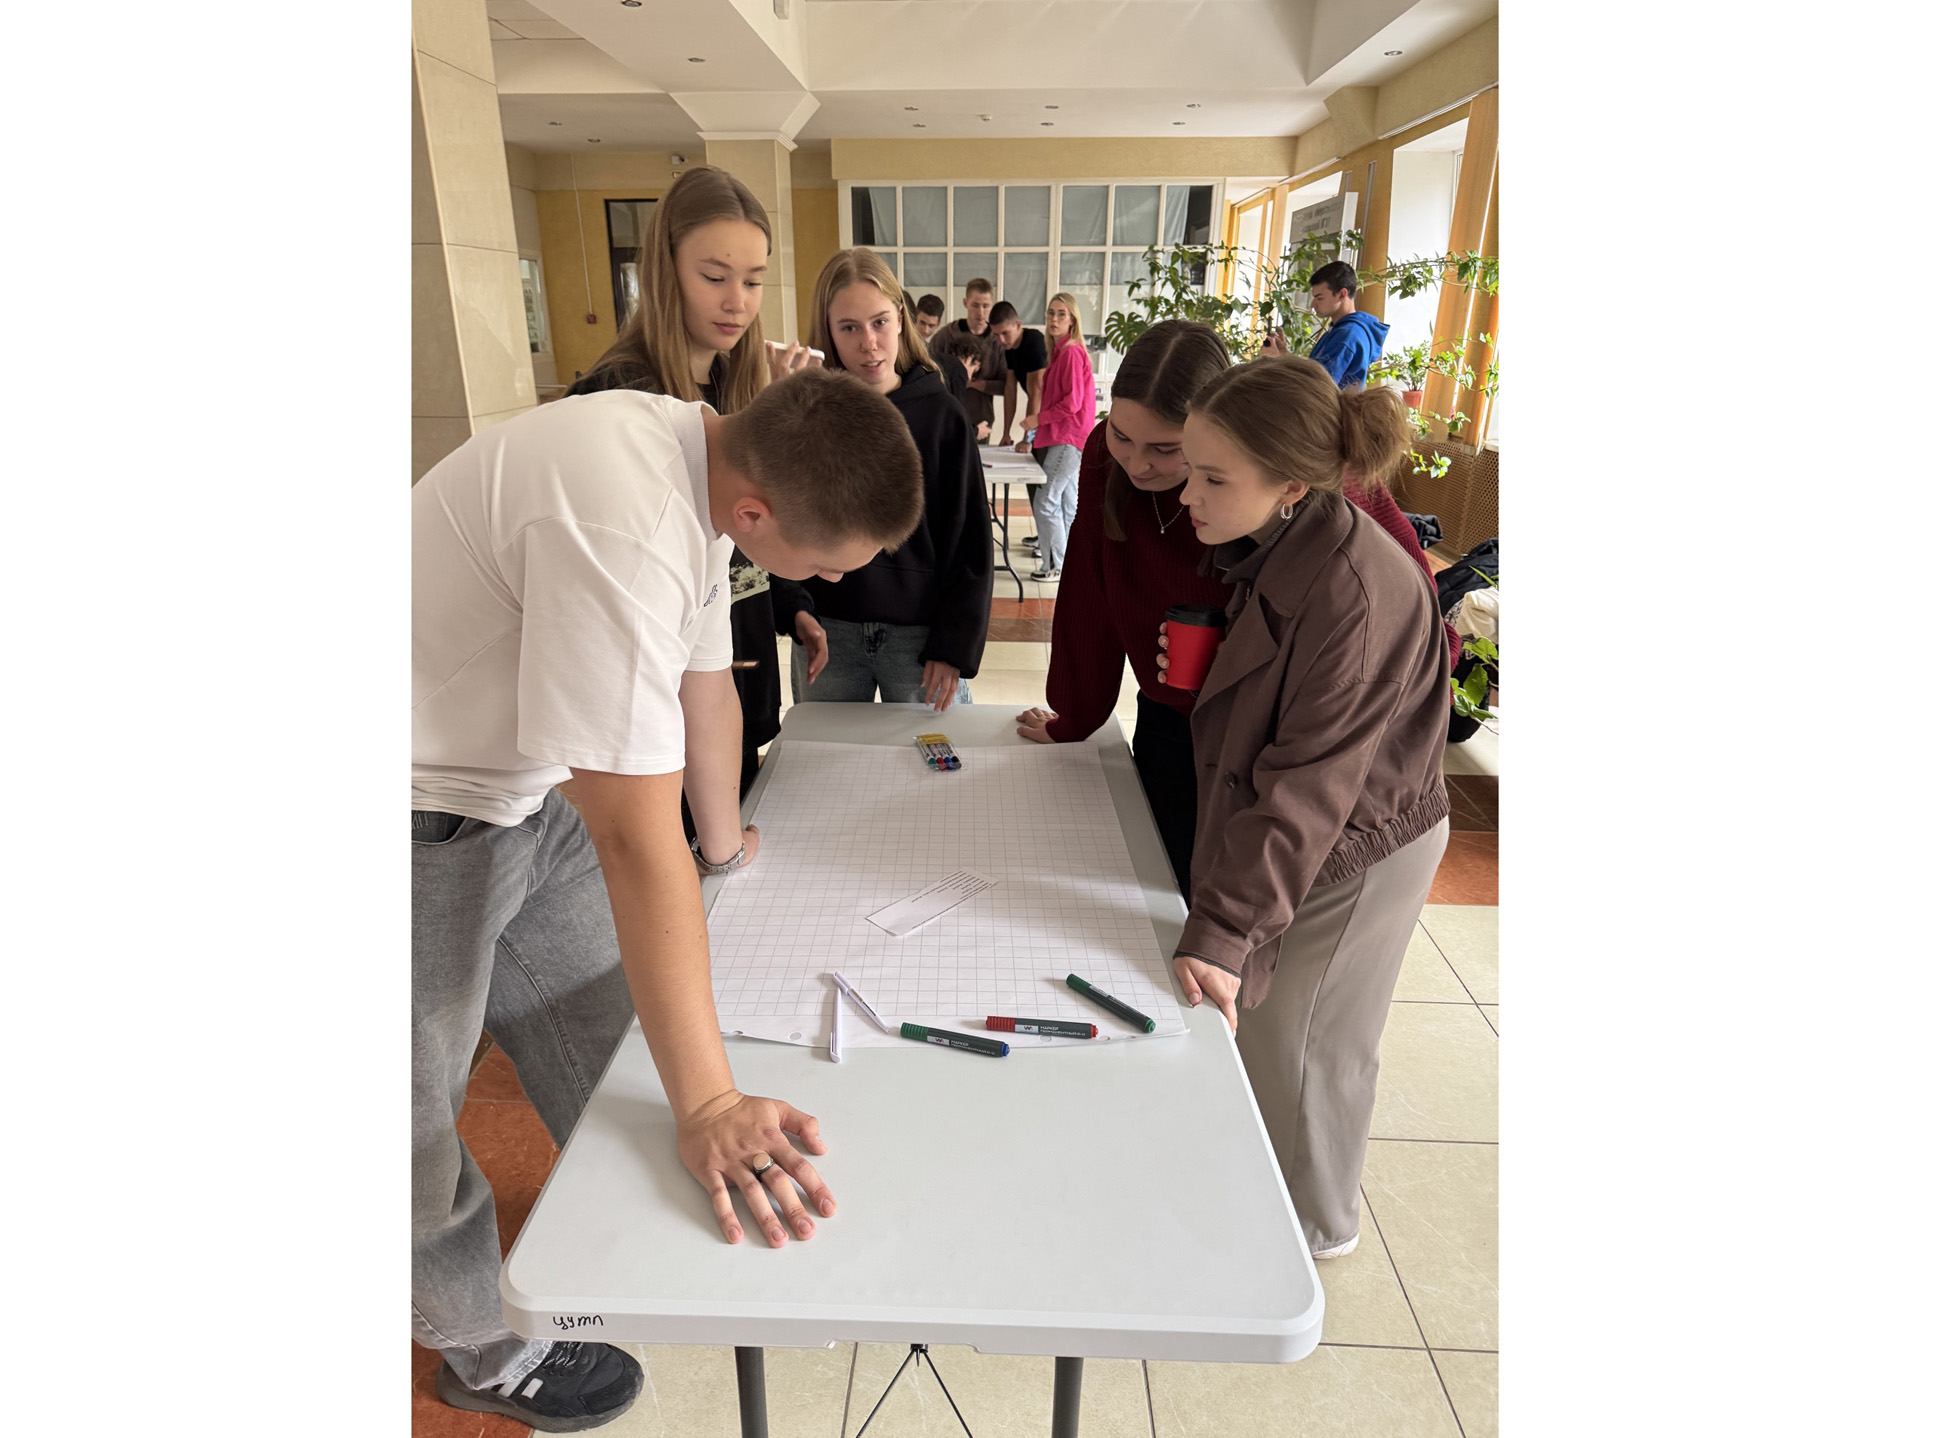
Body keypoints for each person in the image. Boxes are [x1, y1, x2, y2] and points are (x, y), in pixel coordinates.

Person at [413, 367, 924, 1431]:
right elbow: (636, 841)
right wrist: (711, 1103)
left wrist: (728, 857)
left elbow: (704, 691)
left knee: (610, 1032)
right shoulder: (623, 519)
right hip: (409, 806)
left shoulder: (702, 465)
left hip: (519, 791)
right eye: (828, 564)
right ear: (759, 514)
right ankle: (479, 1345)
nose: (834, 583)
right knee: (408, 1117)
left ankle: (631, 1218)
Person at [1157, 356, 1451, 1262]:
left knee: (1314, 1042)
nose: (1186, 496)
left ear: (1290, 484)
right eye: (1189, 468)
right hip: (1317, 823)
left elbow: (1307, 787)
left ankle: (1315, 1234)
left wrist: (1222, 929)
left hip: (1359, 844)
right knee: (1276, 1033)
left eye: (1213, 479)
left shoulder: (1355, 591)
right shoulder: (1288, 540)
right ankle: (1263, 1200)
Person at [566, 165, 816, 808]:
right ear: (664, 271)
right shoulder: (619, 397)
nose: (738, 302)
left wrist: (789, 604)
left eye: (753, 281)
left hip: (733, 669)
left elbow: (742, 534)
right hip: (657, 702)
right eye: (714, 277)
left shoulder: (734, 387)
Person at [1014, 320, 1234, 894]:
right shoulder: (1101, 456)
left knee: (1227, 888)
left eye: (1166, 449)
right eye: (1122, 435)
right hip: (1165, 708)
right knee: (1162, 871)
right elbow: (1088, 590)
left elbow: (1398, 587)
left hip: (1252, 726)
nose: (1137, 465)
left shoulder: (1262, 471)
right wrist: (1074, 715)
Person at [771, 247, 994, 711]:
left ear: (900, 318)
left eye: (879, 322)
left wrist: (954, 645)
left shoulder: (942, 416)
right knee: (828, 755)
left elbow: (970, 538)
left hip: (921, 637)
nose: (869, 343)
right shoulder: (807, 412)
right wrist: (794, 606)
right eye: (849, 328)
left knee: (934, 755)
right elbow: (779, 519)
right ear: (828, 332)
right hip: (828, 631)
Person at [1016, 291, 1093, 580]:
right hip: (1065, 438)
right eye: (1051, 313)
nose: (1054, 319)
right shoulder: (1062, 352)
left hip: (1068, 438)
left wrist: (1038, 419)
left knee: (1045, 502)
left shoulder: (1071, 352)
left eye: (1061, 314)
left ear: (1072, 320)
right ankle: (1070, 563)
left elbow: (1072, 404)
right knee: (1066, 504)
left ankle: (1056, 566)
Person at [1265, 259, 1389, 391]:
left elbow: (1316, 387)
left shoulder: (1347, 336)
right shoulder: (1342, 329)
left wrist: (1276, 361)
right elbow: (1314, 373)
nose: (1313, 305)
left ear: (1342, 295)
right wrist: (1284, 355)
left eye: (1319, 298)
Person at [950, 277, 1008, 435]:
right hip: (949, 420)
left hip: (982, 421)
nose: (980, 312)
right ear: (965, 303)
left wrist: (977, 384)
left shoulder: (998, 342)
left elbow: (1006, 385)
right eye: (975, 305)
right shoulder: (946, 336)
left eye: (985, 306)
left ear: (992, 305)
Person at [989, 299, 1047, 447]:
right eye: (996, 335)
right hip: (1041, 413)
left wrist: (1027, 439)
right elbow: (1010, 391)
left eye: (1005, 333)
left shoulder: (1033, 342)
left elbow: (1036, 395)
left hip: (1053, 414)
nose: (1001, 340)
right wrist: (1006, 433)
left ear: (1018, 325)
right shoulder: (1010, 349)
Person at [926, 324, 993, 441]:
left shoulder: (937, 362)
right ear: (970, 358)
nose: (969, 379)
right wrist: (976, 431)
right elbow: (956, 419)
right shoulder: (957, 369)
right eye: (974, 371)